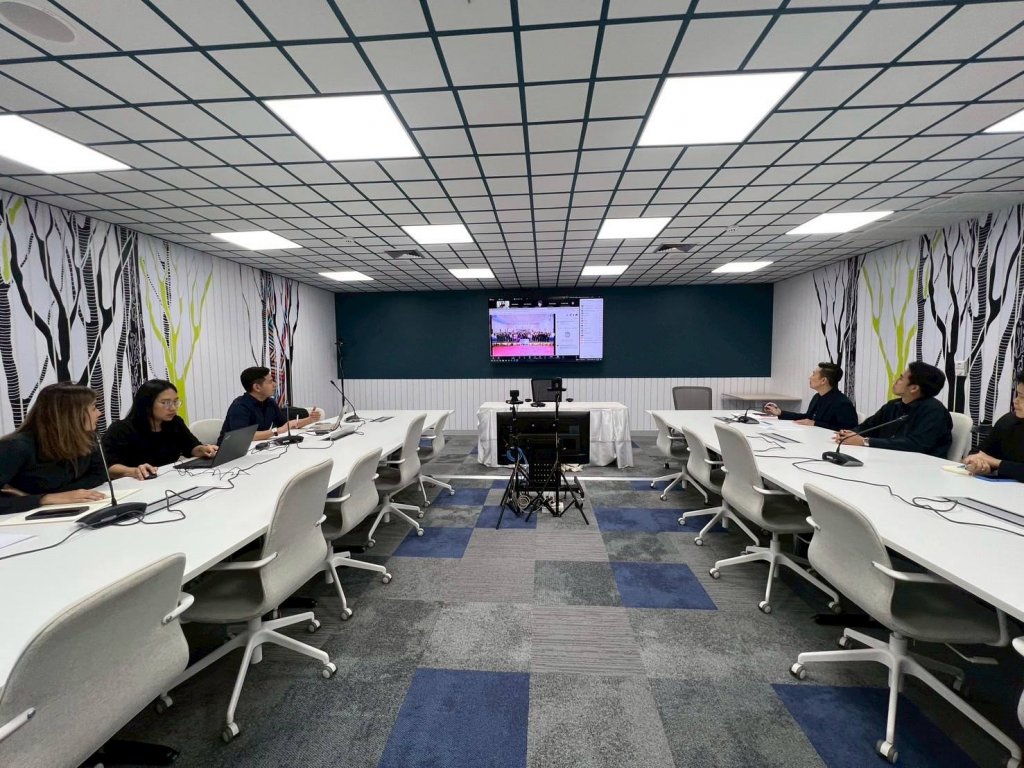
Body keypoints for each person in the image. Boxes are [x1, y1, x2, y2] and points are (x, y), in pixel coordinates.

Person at [0, 382, 108, 515]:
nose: (99, 413)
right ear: (70, 414)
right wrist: (44, 499)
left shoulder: (88, 438)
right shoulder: (15, 447)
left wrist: (44, 496)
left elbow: (99, 475)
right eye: (93, 408)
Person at [103, 380, 218, 480]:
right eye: (166, 403)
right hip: (135, 483)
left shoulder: (175, 423)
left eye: (175, 402)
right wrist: (133, 471)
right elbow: (109, 467)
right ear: (147, 405)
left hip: (168, 480)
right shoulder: (121, 429)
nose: (173, 408)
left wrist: (203, 449)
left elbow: (191, 447)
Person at [833, 361, 952, 457]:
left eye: (901, 378)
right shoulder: (894, 405)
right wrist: (848, 434)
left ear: (914, 388)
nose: (896, 381)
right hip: (888, 459)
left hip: (922, 468)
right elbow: (868, 427)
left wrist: (865, 441)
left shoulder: (934, 412)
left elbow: (916, 445)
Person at [219, 366, 321, 443]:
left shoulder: (269, 402)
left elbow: (286, 425)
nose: (275, 384)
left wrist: (310, 419)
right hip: (229, 456)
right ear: (257, 387)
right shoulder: (239, 406)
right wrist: (276, 431)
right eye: (270, 382)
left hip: (255, 448)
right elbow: (243, 436)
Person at [963, 370, 1024, 482]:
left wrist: (996, 463)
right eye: (1017, 395)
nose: (1016, 401)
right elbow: (979, 453)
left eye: (1022, 397)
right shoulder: (1008, 421)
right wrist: (981, 465)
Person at [764, 362, 858, 430]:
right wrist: (781, 413)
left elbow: (849, 430)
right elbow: (807, 418)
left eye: (813, 374)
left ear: (823, 381)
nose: (810, 377)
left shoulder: (842, 403)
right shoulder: (817, 397)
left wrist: (815, 423)